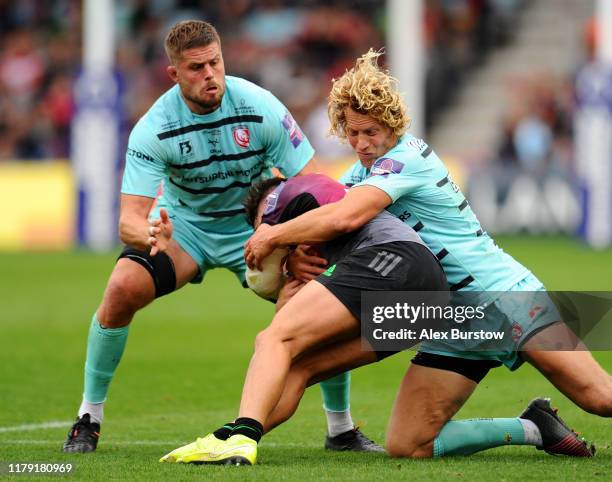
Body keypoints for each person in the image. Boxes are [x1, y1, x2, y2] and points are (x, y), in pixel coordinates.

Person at [232, 50, 610, 459]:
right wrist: (293, 262)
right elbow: (330, 224)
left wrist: (273, 236)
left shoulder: (407, 159)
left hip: (505, 297)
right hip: (453, 319)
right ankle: (534, 427)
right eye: (352, 133)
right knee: (409, 445)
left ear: (392, 124)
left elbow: (345, 217)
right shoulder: (361, 173)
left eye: (370, 132)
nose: (360, 143)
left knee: (600, 399)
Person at [62, 20, 377, 453]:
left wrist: (300, 249)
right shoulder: (153, 128)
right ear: (174, 74)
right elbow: (128, 222)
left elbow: (313, 189)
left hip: (258, 230)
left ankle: (340, 429)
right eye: (196, 68)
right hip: (186, 229)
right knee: (121, 287)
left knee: (318, 296)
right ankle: (88, 418)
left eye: (215, 62)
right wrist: (152, 231)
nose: (210, 74)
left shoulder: (260, 107)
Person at [159, 174, 595, 466]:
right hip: (439, 304)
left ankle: (243, 435)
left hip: (426, 272)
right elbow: (289, 332)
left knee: (272, 340)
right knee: (309, 370)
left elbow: (301, 232)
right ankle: (231, 438)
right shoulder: (315, 250)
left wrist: (273, 238)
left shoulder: (289, 199)